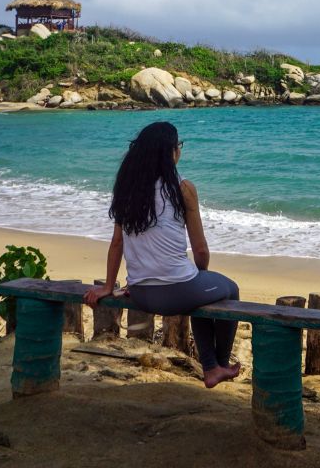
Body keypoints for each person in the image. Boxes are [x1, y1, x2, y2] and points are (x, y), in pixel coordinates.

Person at [85, 122, 241, 387]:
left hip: (142, 294)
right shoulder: (183, 189)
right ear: (172, 152)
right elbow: (200, 249)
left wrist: (109, 286)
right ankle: (218, 364)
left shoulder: (128, 190)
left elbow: (116, 243)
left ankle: (212, 367)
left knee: (199, 293)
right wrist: (201, 274)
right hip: (176, 292)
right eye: (179, 146)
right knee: (230, 289)